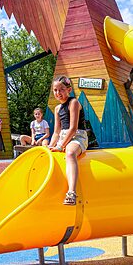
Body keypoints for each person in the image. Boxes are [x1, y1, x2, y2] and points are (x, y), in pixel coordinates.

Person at [48, 76, 89, 206]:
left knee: (70, 153)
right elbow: (56, 132)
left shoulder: (74, 103)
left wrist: (60, 146)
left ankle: (72, 192)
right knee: (47, 150)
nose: (58, 93)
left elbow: (73, 128)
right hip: (63, 137)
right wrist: (50, 146)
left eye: (61, 89)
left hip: (77, 136)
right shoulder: (57, 109)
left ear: (69, 89)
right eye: (55, 90)